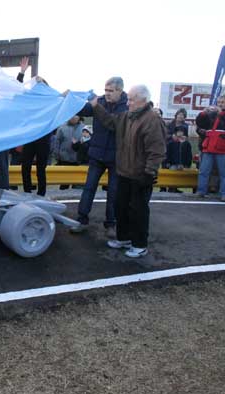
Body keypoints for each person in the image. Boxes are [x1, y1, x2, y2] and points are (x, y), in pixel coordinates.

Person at [90, 85, 166, 258]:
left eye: (131, 99)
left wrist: (149, 173)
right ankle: (124, 238)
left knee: (138, 210)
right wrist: (96, 106)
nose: (128, 102)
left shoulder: (152, 119)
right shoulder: (126, 117)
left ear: (143, 101)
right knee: (120, 207)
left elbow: (157, 151)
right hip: (123, 173)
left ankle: (140, 245)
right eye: (129, 98)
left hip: (141, 176)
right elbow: (110, 121)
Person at [70, 77, 128, 236]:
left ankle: (111, 224)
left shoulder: (127, 107)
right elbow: (84, 110)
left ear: (120, 91)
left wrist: (96, 106)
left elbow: (113, 124)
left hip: (116, 157)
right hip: (97, 155)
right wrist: (71, 99)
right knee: (88, 188)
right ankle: (82, 220)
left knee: (113, 192)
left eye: (111, 91)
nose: (107, 94)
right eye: (105, 90)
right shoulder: (100, 101)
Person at [16, 56, 53, 196]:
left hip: (43, 138)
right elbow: (16, 90)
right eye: (37, 84)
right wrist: (22, 72)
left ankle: (41, 194)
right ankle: (26, 192)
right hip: (30, 137)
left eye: (41, 84)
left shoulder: (50, 99)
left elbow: (61, 98)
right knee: (25, 166)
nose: (38, 85)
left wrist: (42, 81)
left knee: (40, 168)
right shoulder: (30, 98)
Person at [195, 103, 225, 201]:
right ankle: (201, 191)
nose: (220, 105)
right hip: (208, 149)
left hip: (222, 149)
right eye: (219, 103)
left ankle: (223, 193)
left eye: (222, 103)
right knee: (203, 171)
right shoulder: (209, 116)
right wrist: (204, 112)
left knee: (223, 173)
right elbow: (199, 123)